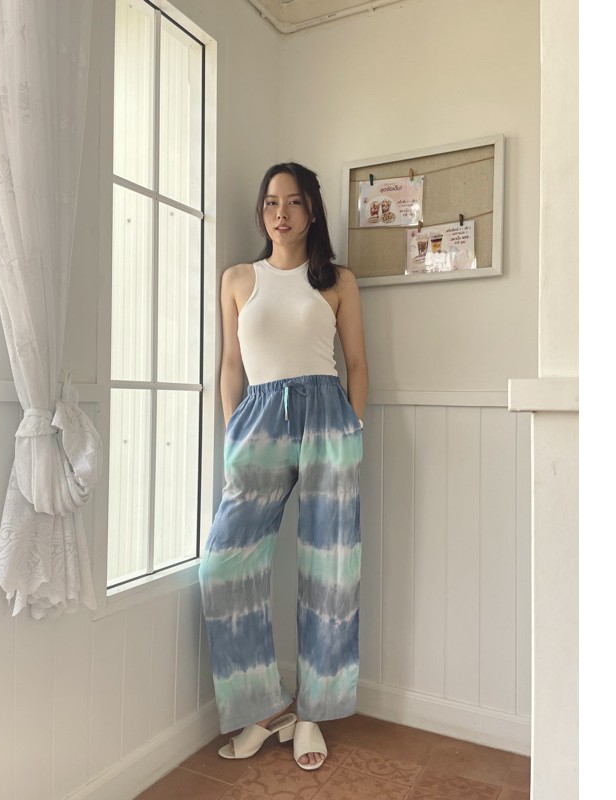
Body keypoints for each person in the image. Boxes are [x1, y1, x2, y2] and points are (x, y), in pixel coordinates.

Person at [198, 162, 368, 771]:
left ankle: (314, 710)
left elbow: (357, 363)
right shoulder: (238, 279)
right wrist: (234, 434)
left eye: (293, 202)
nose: (281, 213)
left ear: (311, 210)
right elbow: (230, 365)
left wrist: (353, 428)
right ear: (261, 211)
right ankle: (265, 708)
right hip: (258, 422)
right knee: (223, 566)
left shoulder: (338, 281)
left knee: (330, 569)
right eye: (271, 202)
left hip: (328, 420)